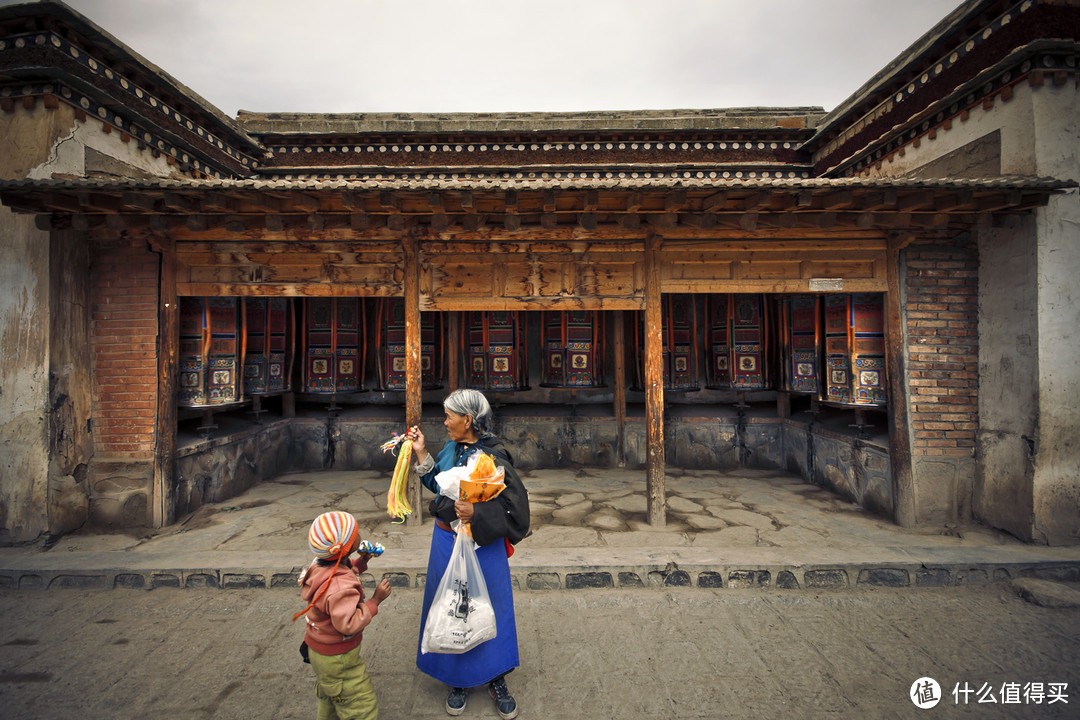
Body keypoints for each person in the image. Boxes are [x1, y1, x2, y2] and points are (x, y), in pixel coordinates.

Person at [405, 388, 530, 720]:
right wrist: (421, 453)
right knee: (450, 605)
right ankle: (456, 679)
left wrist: (476, 514)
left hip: (482, 546)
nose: (445, 422)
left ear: (468, 419)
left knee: (491, 605)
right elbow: (439, 485)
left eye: (449, 416)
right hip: (447, 542)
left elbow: (514, 510)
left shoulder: (494, 456)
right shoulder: (451, 448)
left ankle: (495, 677)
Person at [293, 510, 393, 720]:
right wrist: (375, 601)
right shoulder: (339, 586)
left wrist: (362, 560)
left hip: (318, 650)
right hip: (337, 657)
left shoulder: (320, 565)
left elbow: (343, 572)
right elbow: (347, 624)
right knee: (360, 704)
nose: (359, 536)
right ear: (345, 547)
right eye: (355, 534)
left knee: (330, 698)